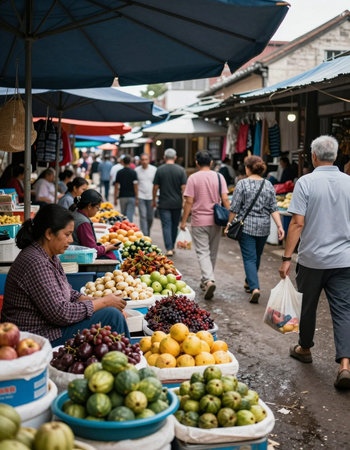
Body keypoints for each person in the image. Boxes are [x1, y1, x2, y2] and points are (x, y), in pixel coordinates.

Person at [278, 135, 350, 390]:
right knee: (343, 311)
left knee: (307, 306)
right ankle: (344, 364)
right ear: (337, 156)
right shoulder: (349, 183)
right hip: (344, 260)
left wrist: (287, 258)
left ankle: (305, 348)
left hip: (312, 260)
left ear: (314, 156)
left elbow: (297, 223)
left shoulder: (306, 182)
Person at [1, 204, 129, 346]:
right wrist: (103, 303)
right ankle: (128, 362)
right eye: (67, 234)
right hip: (37, 336)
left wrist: (102, 301)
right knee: (112, 317)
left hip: (51, 327)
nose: (71, 240)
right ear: (49, 234)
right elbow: (60, 313)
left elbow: (70, 294)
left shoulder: (50, 256)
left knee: (110, 311)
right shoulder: (35, 262)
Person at [224, 156, 284, 304]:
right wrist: (279, 225)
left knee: (249, 258)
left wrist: (229, 223)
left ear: (248, 168)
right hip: (264, 227)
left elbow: (235, 207)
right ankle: (248, 281)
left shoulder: (242, 184)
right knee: (256, 256)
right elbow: (273, 207)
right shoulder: (268, 184)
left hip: (246, 226)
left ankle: (255, 287)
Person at [180, 150, 230, 299]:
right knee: (212, 252)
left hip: (198, 220)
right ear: (211, 163)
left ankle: (208, 280)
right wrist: (231, 219)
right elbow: (225, 200)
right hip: (217, 220)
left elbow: (188, 201)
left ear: (196, 163)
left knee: (203, 252)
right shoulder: (219, 177)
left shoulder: (193, 178)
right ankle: (207, 279)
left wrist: (183, 221)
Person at [153, 148, 187, 257]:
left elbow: (155, 187)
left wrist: (154, 199)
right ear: (175, 157)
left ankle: (169, 248)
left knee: (166, 225)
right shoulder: (181, 170)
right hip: (177, 202)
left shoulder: (160, 170)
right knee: (174, 225)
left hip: (163, 202)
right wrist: (184, 202)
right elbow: (184, 189)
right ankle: (171, 245)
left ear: (164, 157)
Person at [70, 189, 117, 260]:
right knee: (113, 256)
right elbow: (92, 250)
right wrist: (107, 248)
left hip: (75, 253)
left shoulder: (76, 212)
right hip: (79, 258)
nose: (97, 211)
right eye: (97, 208)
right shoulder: (83, 222)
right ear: (89, 206)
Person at [135, 153, 157, 236]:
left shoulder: (154, 169)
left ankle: (147, 231)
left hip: (151, 197)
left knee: (150, 217)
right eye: (142, 159)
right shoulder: (137, 170)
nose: (144, 161)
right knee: (143, 216)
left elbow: (156, 184)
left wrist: (156, 197)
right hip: (141, 196)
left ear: (149, 160)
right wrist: (136, 198)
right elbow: (135, 185)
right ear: (140, 161)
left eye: (146, 159)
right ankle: (145, 235)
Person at [114, 156, 138, 222]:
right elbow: (135, 186)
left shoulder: (119, 172)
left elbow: (116, 186)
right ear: (130, 162)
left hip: (122, 196)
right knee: (130, 215)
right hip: (131, 196)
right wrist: (137, 198)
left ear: (122, 162)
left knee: (123, 214)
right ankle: (129, 228)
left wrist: (115, 198)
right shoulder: (133, 172)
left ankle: (123, 228)